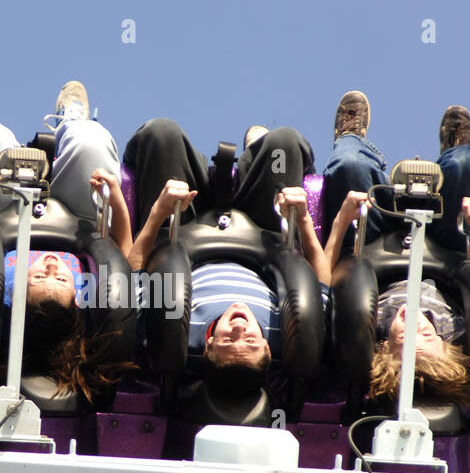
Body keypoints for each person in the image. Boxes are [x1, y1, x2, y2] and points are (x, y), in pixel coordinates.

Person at [318, 97, 470, 406]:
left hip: (369, 246)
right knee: (465, 164)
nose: (414, 323)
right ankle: (454, 150)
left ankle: (351, 140)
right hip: (444, 249)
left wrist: (340, 223)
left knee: (348, 165)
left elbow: (324, 287)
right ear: (444, 344)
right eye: (425, 336)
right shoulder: (461, 334)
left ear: (385, 349)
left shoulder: (364, 339)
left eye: (403, 337)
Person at [0, 82, 135, 403]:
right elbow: (122, 258)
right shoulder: (88, 295)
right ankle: (72, 123)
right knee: (92, 143)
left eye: (36, 277)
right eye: (61, 278)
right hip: (77, 221)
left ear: (15, 294)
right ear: (77, 300)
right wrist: (116, 201)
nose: (50, 266)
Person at [124, 118, 330, 396]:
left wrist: (158, 212)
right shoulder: (290, 335)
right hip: (263, 233)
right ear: (268, 348)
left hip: (178, 225)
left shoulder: (170, 331)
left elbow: (132, 271)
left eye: (228, 340)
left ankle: (255, 156)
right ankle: (259, 152)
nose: (239, 326)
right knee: (284, 143)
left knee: (161, 135)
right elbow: (320, 284)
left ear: (207, 347)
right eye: (250, 341)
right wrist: (303, 219)